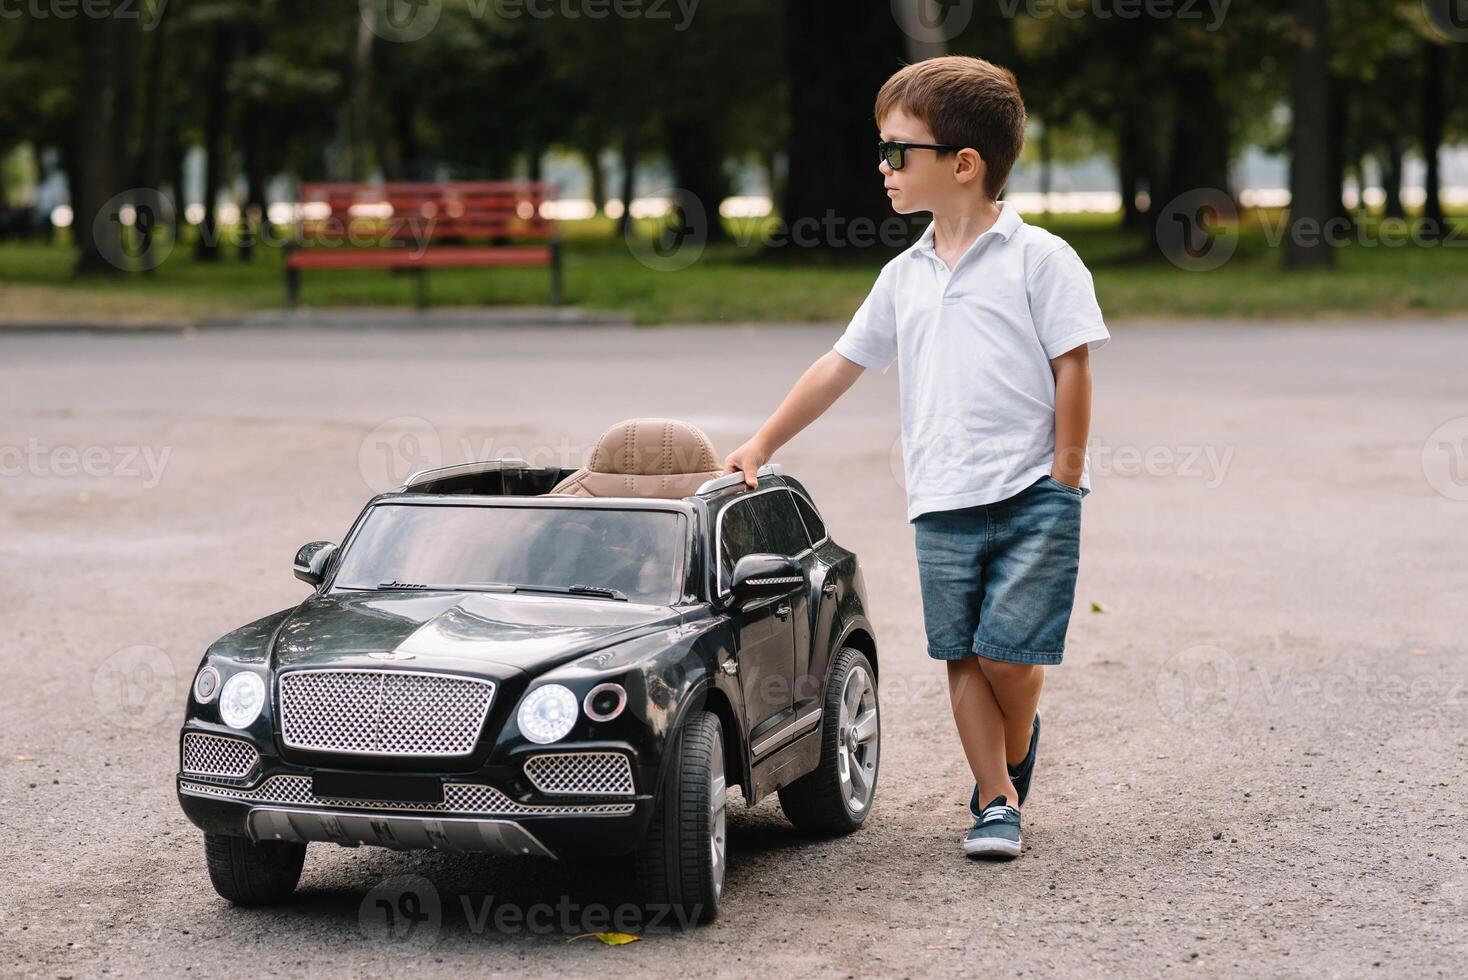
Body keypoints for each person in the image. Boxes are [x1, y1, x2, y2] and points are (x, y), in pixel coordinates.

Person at [721, 56, 1109, 860]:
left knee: (1010, 655)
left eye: (897, 151)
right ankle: (997, 802)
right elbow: (839, 364)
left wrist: (1065, 478)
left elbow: (1072, 365)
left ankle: (1019, 734)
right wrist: (762, 442)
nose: (883, 166)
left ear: (962, 165)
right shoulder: (903, 276)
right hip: (941, 498)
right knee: (962, 651)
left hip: (1036, 491)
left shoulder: (1042, 259)